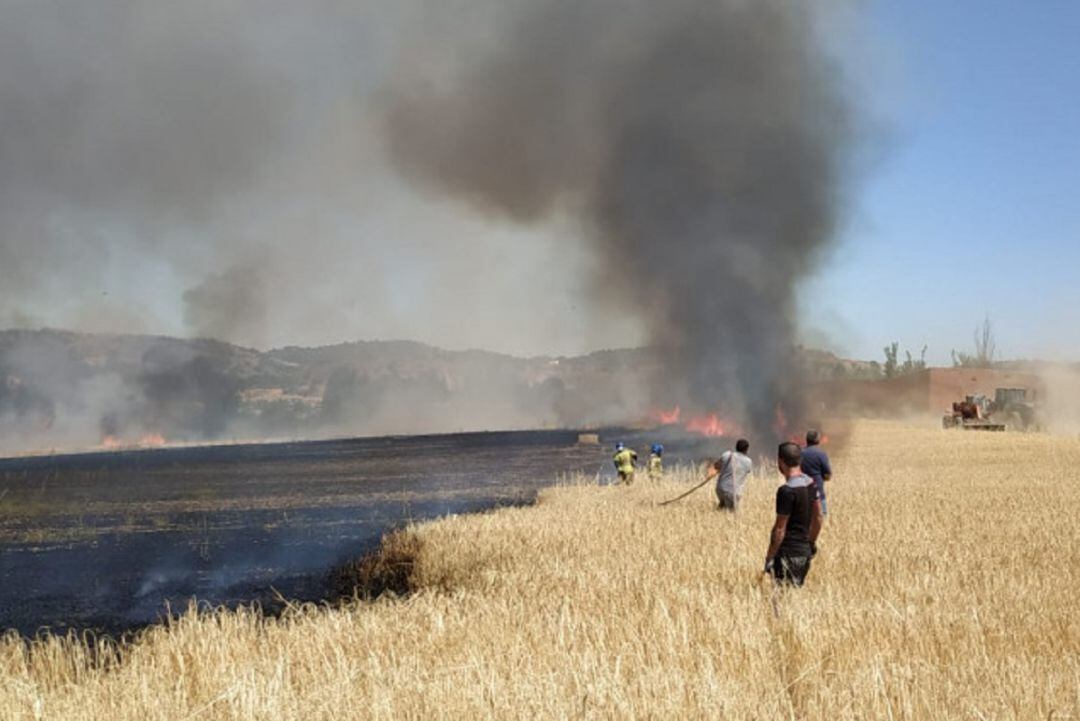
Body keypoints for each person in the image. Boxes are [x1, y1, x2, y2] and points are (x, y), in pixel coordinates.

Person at [764, 442, 823, 587]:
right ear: (800, 460)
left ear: (780, 461)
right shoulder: (811, 484)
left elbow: (780, 529)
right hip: (804, 554)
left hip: (787, 553)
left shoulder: (786, 491)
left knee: (781, 597)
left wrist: (769, 557)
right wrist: (810, 543)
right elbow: (819, 517)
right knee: (794, 598)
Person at [707, 438, 752, 511]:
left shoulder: (727, 454)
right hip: (733, 492)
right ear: (746, 449)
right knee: (731, 514)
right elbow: (747, 471)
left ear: (736, 447)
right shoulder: (748, 461)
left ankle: (715, 515)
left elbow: (716, 466)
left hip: (720, 489)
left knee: (722, 507)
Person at [800, 429, 833, 516]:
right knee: (821, 515)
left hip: (802, 488)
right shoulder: (821, 454)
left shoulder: (800, 453)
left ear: (806, 440)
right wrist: (825, 478)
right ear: (818, 441)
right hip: (817, 488)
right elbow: (827, 472)